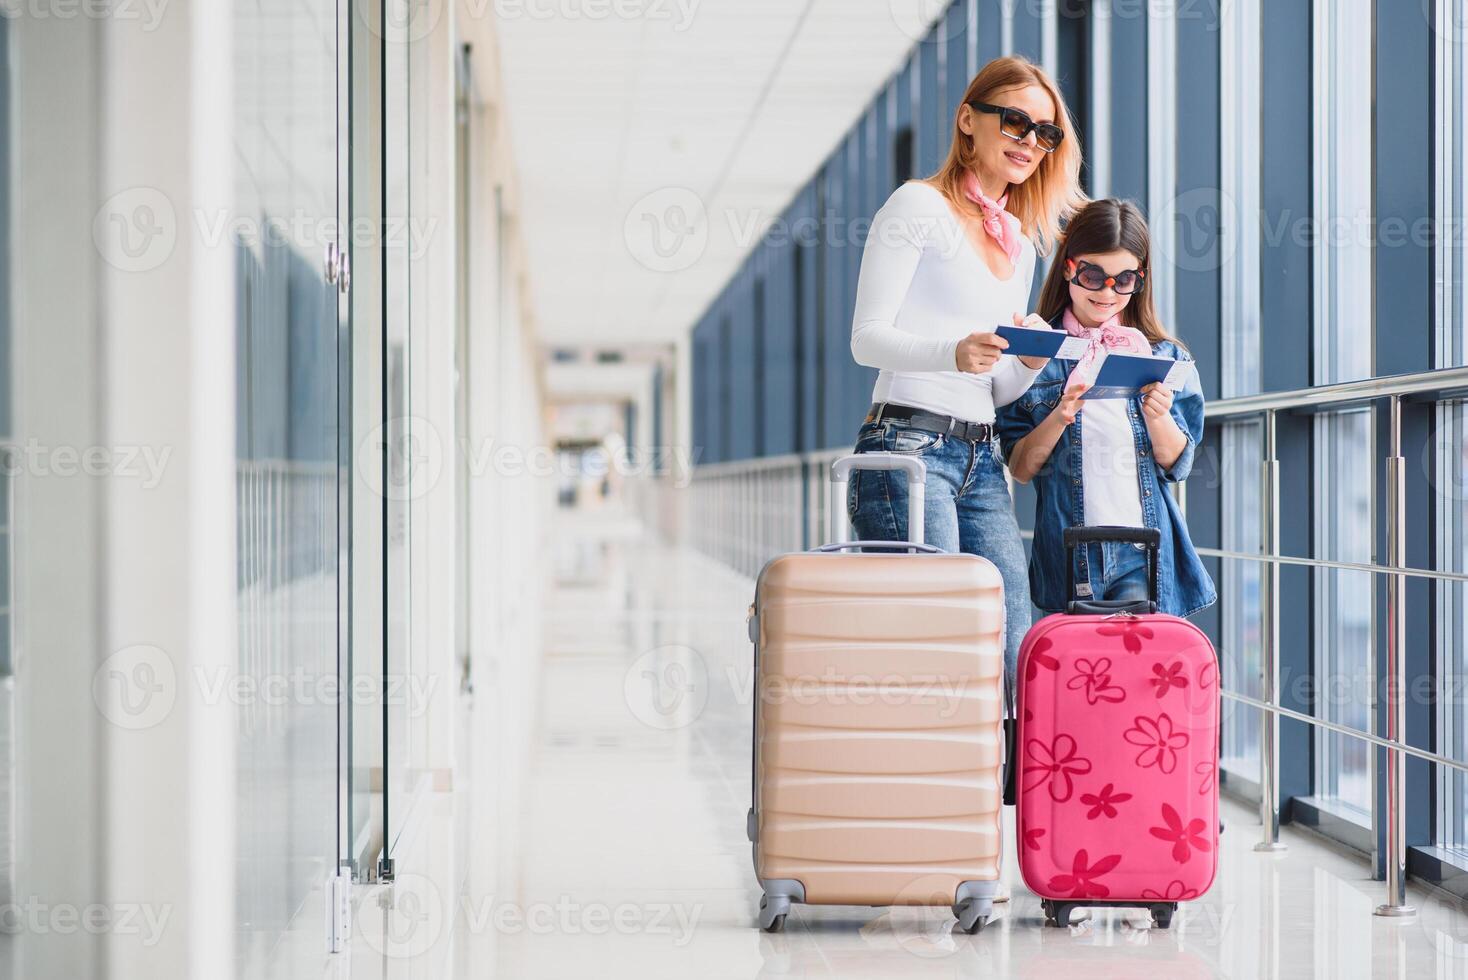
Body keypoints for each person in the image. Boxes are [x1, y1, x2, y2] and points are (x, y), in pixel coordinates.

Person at [846, 55, 1086, 679]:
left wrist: (1029, 363)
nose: (1030, 142)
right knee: (940, 641)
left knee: (1010, 640)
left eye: (1046, 133)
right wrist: (949, 351)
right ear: (967, 121)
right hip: (908, 447)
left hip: (981, 460)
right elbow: (866, 340)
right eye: (1014, 122)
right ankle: (932, 775)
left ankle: (998, 778)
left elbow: (992, 384)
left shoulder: (1020, 245)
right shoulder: (917, 207)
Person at [996, 198, 1217, 617]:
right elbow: (1022, 468)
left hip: (1143, 549)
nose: (1107, 292)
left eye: (1124, 279)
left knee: (1135, 676)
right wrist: (1061, 414)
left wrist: (1157, 418)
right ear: (1068, 268)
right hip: (1070, 552)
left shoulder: (1166, 357)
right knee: (1077, 677)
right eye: (1093, 275)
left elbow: (1178, 464)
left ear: (1140, 278)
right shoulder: (1038, 356)